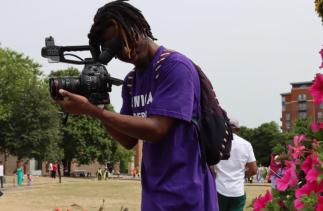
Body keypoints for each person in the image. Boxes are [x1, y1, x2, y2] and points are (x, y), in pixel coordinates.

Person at [54, 1, 218, 210]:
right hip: (154, 192)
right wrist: (97, 109)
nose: (125, 51)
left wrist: (93, 110)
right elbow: (129, 140)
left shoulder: (174, 66)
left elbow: (157, 130)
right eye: (114, 49)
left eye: (124, 40)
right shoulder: (131, 81)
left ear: (138, 26)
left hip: (186, 192)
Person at [213, 117, 257, 211]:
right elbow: (253, 170)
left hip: (219, 189)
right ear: (238, 129)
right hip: (238, 191)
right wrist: (241, 175)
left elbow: (211, 165)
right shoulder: (246, 144)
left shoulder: (217, 143)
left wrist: (216, 176)